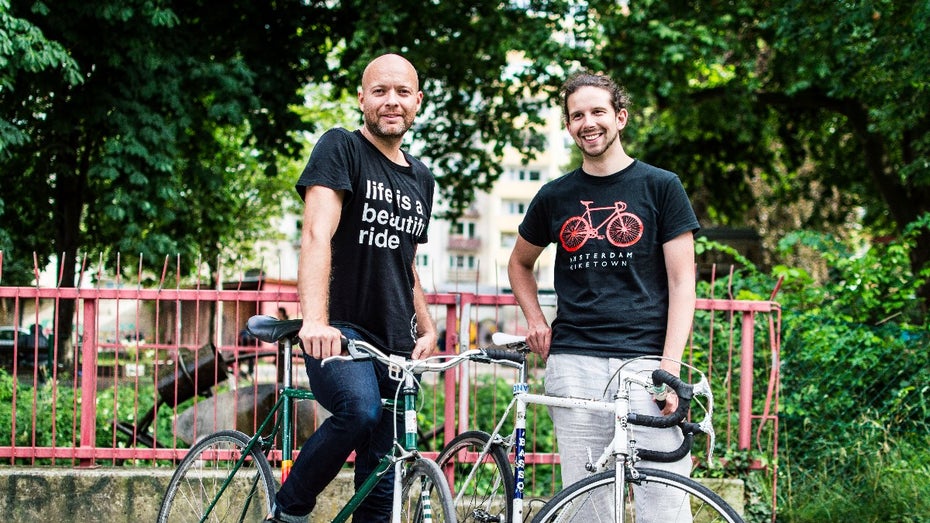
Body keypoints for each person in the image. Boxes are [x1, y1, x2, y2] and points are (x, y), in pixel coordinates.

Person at [508, 71, 700, 522]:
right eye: (577, 115)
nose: (588, 123)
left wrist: (670, 368)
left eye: (598, 112)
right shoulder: (555, 195)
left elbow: (682, 283)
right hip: (575, 362)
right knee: (586, 506)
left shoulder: (661, 186)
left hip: (646, 362)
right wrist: (535, 320)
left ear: (620, 117)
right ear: (568, 126)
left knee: (666, 503)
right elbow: (519, 263)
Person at [267, 53, 438, 523]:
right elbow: (316, 234)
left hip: (397, 343)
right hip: (341, 328)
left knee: (381, 486)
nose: (391, 101)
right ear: (362, 99)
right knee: (359, 411)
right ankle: (288, 511)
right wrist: (316, 322)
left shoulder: (422, 177)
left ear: (418, 101)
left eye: (402, 92)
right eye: (380, 91)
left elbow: (406, 261)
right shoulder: (341, 147)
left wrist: (428, 328)